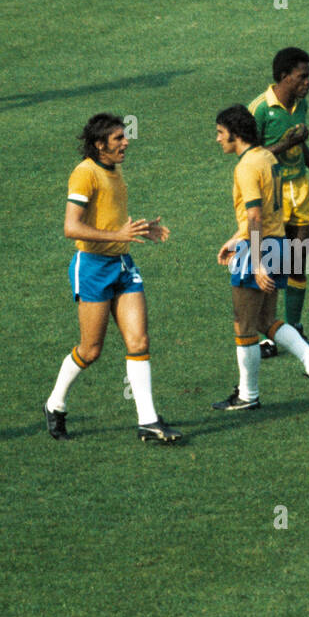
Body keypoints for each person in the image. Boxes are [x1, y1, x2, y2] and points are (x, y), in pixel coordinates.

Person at [44, 113, 181, 443]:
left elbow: (111, 220)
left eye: (124, 136)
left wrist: (139, 231)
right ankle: (55, 404)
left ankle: (148, 421)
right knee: (90, 350)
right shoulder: (84, 174)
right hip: (91, 267)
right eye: (118, 138)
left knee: (139, 342)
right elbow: (71, 227)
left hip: (122, 264)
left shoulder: (114, 169)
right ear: (99, 144)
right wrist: (116, 234)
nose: (126, 142)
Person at [213, 104, 309, 411]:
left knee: (244, 325)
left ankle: (248, 396)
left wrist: (255, 259)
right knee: (267, 320)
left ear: (235, 134)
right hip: (276, 244)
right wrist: (236, 239)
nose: (218, 139)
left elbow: (254, 215)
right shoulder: (267, 156)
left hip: (260, 248)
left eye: (220, 133)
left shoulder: (247, 165)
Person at [248, 48, 309, 353]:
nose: (308, 82)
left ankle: (294, 326)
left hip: (300, 190)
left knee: (298, 261)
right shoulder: (259, 109)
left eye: (308, 76)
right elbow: (250, 158)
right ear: (284, 77)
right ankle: (269, 333)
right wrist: (287, 143)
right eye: (302, 76)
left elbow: (300, 144)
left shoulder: (301, 103)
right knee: (271, 264)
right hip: (272, 194)